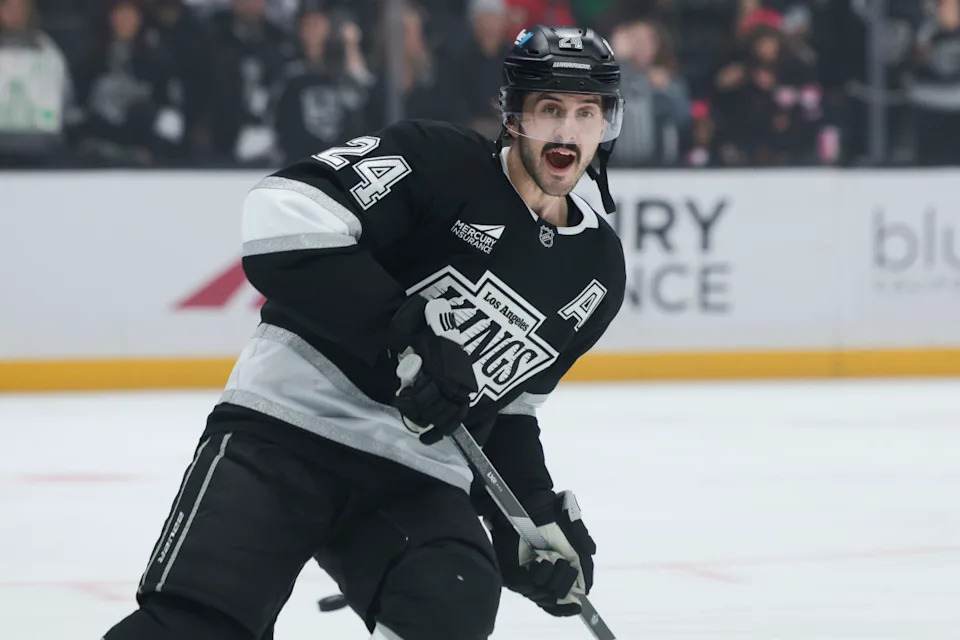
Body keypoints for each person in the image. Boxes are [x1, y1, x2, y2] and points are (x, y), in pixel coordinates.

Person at [102, 24, 626, 640]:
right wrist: (402, 333)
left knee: (449, 610)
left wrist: (532, 526)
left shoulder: (595, 272)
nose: (567, 132)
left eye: (586, 113)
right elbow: (280, 212)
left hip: (413, 481)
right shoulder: (436, 161)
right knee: (193, 627)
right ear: (514, 116)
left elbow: (505, 414)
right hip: (286, 430)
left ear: (606, 124)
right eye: (549, 110)